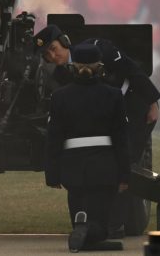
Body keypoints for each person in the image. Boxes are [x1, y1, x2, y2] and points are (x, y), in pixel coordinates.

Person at [35, 23, 160, 236]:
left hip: (134, 107)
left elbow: (131, 69)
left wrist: (152, 101)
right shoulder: (61, 76)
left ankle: (116, 224)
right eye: (47, 54)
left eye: (54, 48)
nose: (52, 55)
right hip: (107, 121)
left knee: (126, 164)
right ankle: (99, 223)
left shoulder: (99, 49)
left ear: (65, 42)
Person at [45, 42, 130, 252]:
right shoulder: (113, 95)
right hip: (104, 164)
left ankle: (81, 226)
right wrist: (124, 175)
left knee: (77, 201)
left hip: (73, 165)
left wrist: (52, 174)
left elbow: (54, 138)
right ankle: (91, 230)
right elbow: (121, 138)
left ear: (74, 67)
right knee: (102, 218)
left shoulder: (60, 96)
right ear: (99, 66)